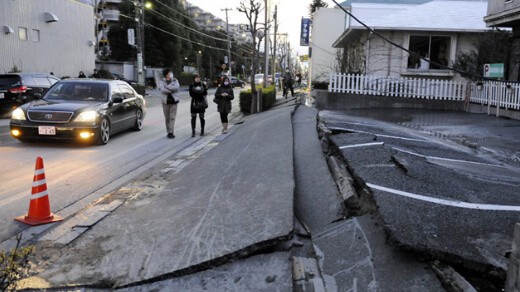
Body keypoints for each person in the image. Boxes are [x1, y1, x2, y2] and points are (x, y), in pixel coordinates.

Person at [158, 68, 180, 139]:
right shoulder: (162, 81)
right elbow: (162, 90)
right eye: (170, 73)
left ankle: (171, 132)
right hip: (165, 102)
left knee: (172, 118)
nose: (171, 74)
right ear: (166, 74)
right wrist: (171, 89)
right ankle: (168, 131)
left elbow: (176, 87)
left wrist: (167, 87)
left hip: (174, 102)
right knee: (167, 118)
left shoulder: (175, 80)